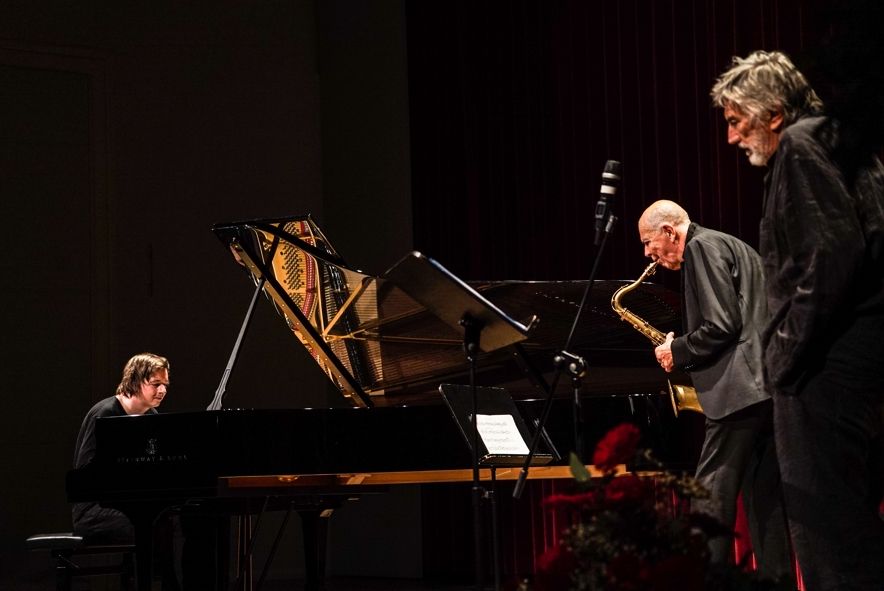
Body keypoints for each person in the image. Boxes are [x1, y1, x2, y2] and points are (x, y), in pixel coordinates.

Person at [711, 50, 884, 590]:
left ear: (774, 115)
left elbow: (827, 258)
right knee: (853, 528)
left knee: (829, 533)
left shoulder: (802, 147)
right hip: (858, 363)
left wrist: (781, 358)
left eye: (738, 122)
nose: (733, 138)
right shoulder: (841, 142)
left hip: (825, 369)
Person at [638, 200, 793, 582]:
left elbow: (722, 324)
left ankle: (700, 580)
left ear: (669, 232)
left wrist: (677, 350)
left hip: (737, 392)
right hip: (766, 387)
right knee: (766, 500)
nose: (648, 254)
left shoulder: (701, 248)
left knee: (710, 494)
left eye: (647, 242)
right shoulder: (731, 244)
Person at [72, 352, 179, 588]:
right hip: (94, 511)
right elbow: (86, 475)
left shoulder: (151, 417)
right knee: (155, 524)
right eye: (156, 384)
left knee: (169, 520)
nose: (162, 390)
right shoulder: (106, 413)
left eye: (165, 385)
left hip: (131, 505)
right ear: (135, 380)